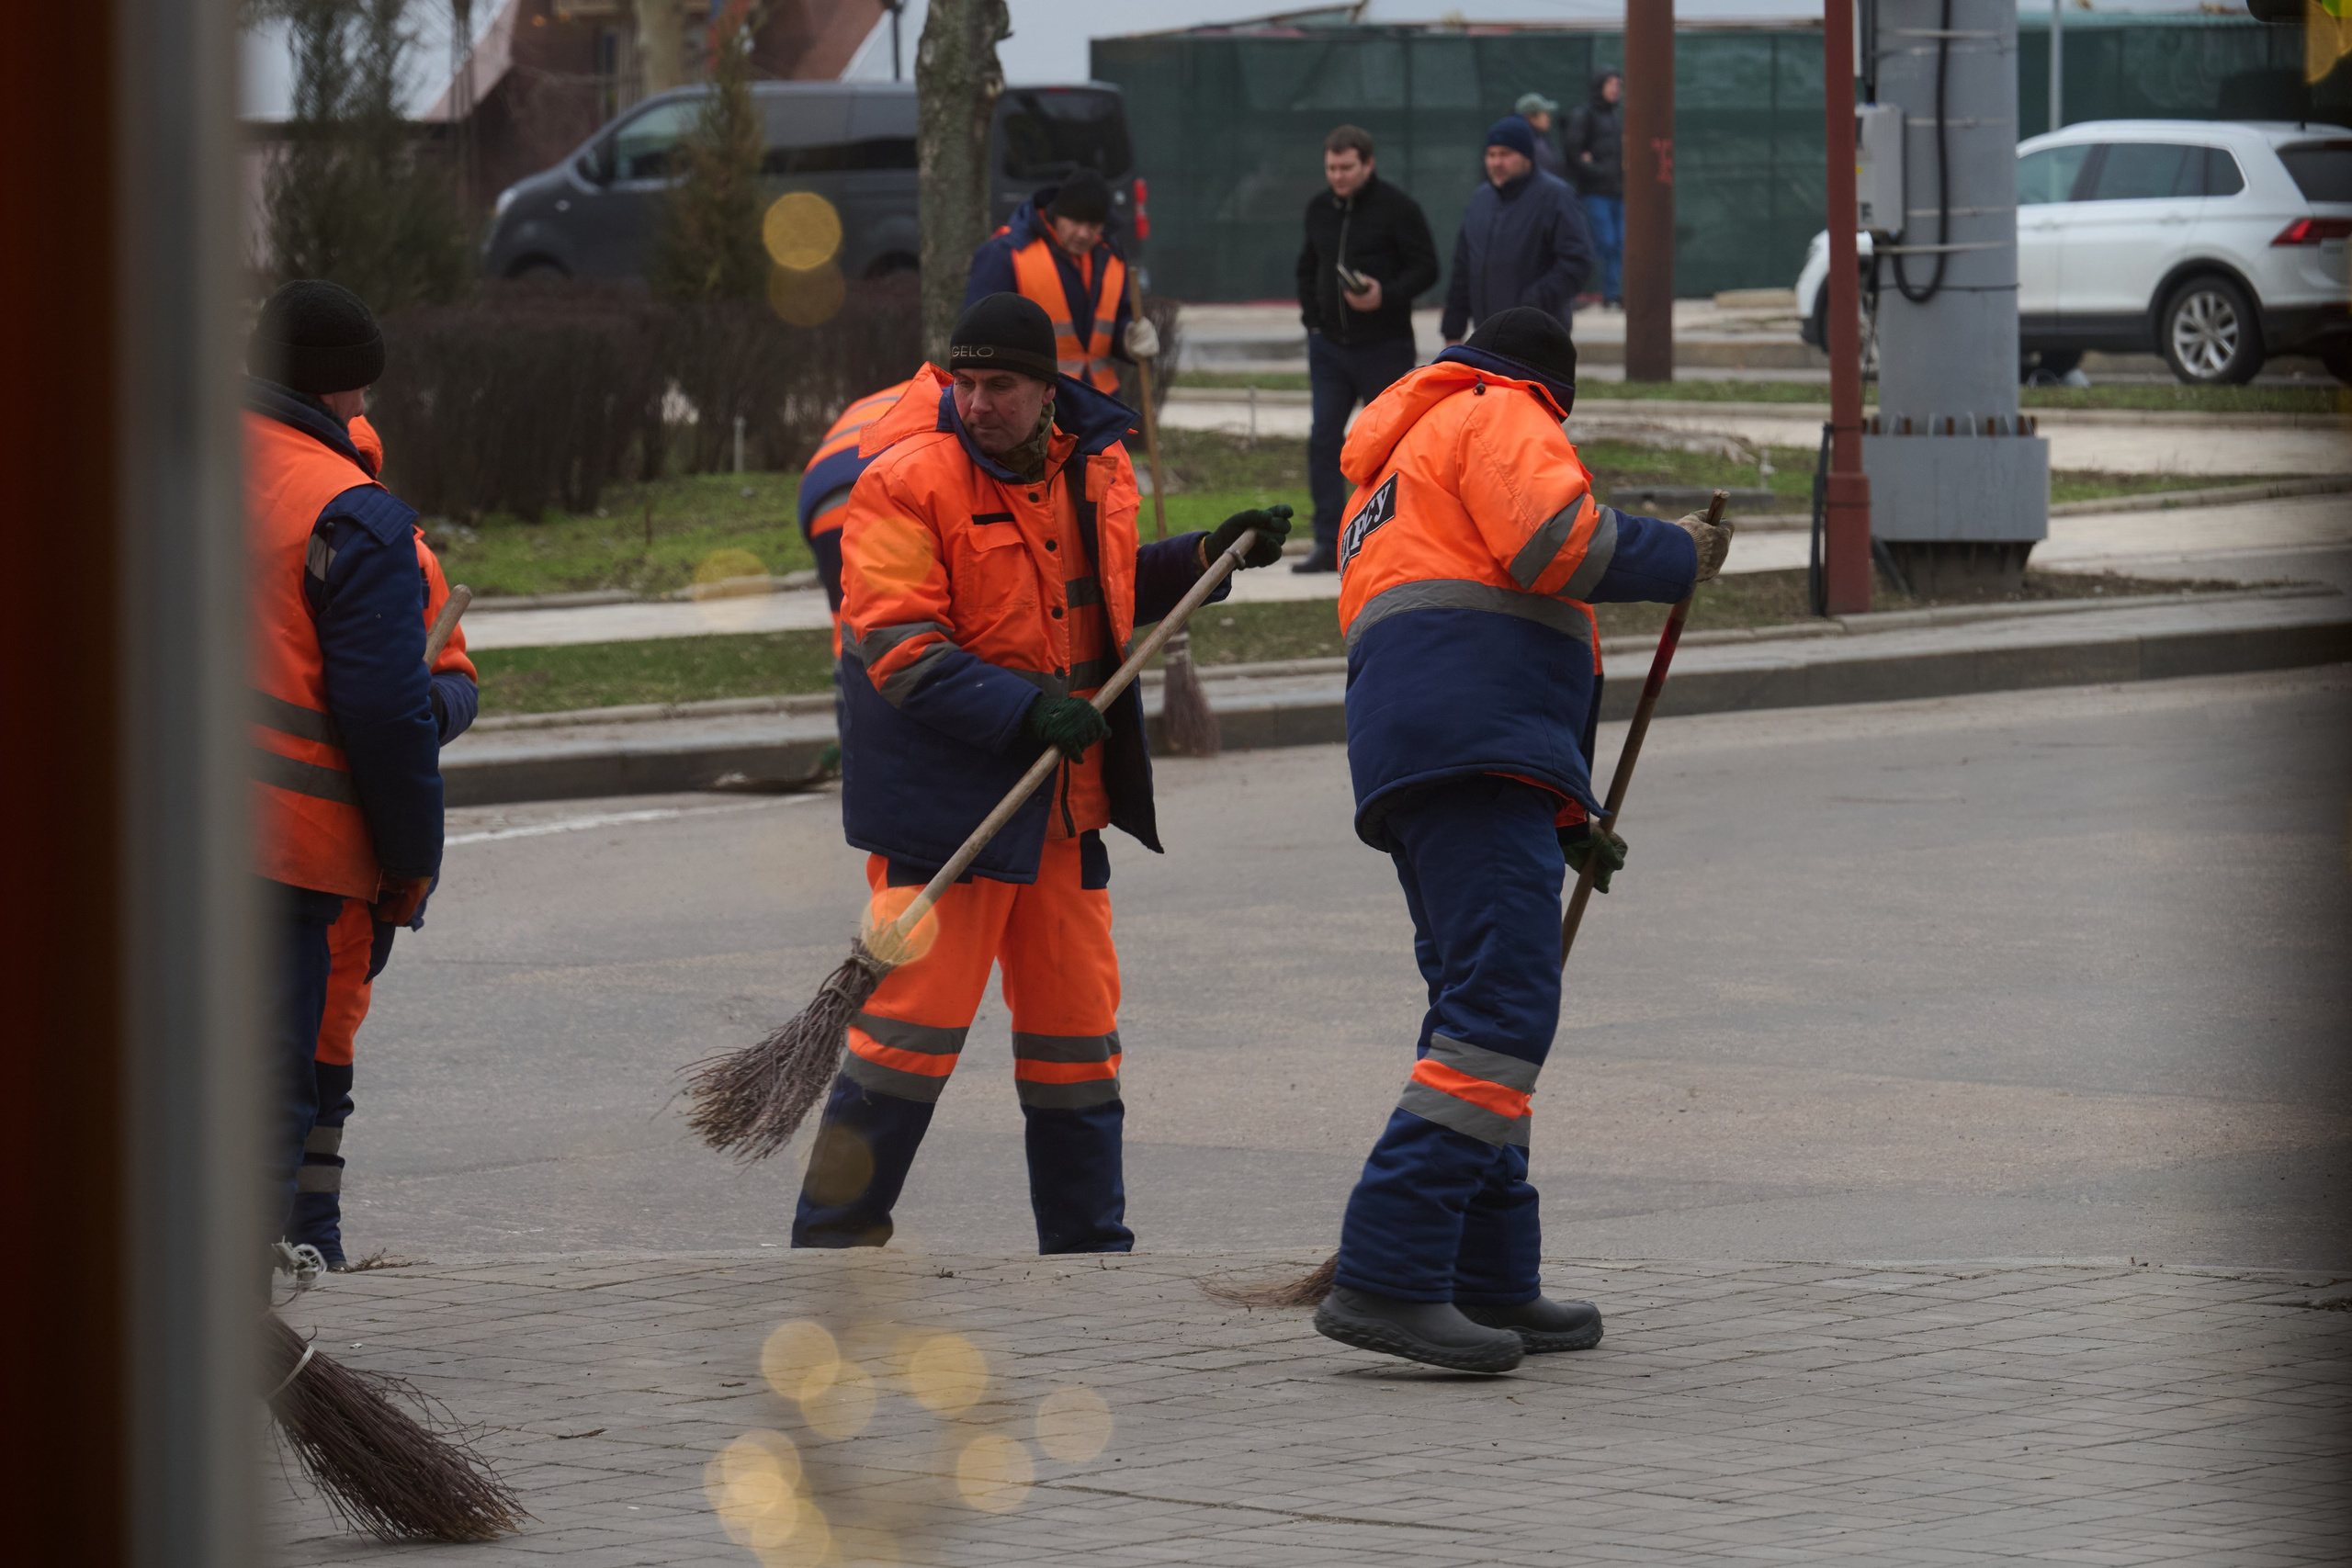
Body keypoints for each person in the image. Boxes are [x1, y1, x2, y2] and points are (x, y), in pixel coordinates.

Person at [793, 294, 1291, 1253]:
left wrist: (1200, 558)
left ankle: (1088, 1247)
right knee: (909, 1031)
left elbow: (1097, 592)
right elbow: (898, 648)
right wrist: (1026, 712)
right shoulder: (902, 482)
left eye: (1000, 386)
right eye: (964, 383)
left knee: (1076, 1035)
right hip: (950, 812)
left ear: (1046, 390)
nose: (977, 402)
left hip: (1068, 808)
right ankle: (834, 1239)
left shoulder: (1092, 466)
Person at [1313, 308, 1733, 1372]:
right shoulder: (1502, 410)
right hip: (1471, 753)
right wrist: (1676, 553)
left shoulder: (1395, 464)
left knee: (1477, 1011)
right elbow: (1558, 546)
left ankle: (1490, 1275)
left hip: (1429, 761)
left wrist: (1563, 813)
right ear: (1555, 385)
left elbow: (1474, 625)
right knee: (1501, 1010)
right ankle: (1390, 1271)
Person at [244, 280, 444, 1247]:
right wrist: (410, 863)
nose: (365, 412)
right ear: (335, 393)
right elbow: (387, 716)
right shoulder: (347, 512)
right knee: (262, 1108)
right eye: (359, 394)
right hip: (280, 860)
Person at [281, 412, 479, 1271]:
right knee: (285, 1064)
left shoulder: (404, 554)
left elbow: (459, 681)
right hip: (306, 843)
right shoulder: (314, 528)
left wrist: (416, 713)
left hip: (349, 859)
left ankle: (314, 1237)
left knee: (326, 1055)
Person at [1293, 124, 1439, 575]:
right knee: (1324, 441)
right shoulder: (1319, 209)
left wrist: (1385, 294)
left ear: (1368, 164)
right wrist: (1314, 323)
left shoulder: (1398, 208)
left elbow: (1427, 268)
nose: (1337, 176)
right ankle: (1327, 541)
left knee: (1388, 447)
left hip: (1384, 346)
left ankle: (1390, 539)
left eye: (1346, 167)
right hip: (1331, 349)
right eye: (1331, 168)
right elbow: (1307, 267)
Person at [965, 167, 1157, 395]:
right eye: (1075, 222)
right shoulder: (1005, 254)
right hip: (1036, 404)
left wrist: (1129, 336)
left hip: (1100, 402)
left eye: (1093, 226)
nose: (1084, 234)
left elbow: (1116, 319)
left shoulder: (1112, 256)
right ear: (1056, 215)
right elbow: (978, 335)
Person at [1441, 118, 1593, 347]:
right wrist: (1453, 329)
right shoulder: (1480, 200)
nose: (1496, 162)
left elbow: (1577, 261)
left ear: (1526, 156)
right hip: (1486, 339)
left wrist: (1530, 306)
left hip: (1539, 341)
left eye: (1505, 154)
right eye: (1491, 155)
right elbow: (1463, 268)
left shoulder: (1556, 197)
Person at [1562, 70, 1626, 310]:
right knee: (1604, 242)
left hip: (1619, 194)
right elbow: (1574, 154)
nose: (1615, 88)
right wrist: (1597, 170)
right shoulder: (1584, 115)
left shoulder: (1616, 117)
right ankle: (1580, 291)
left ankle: (1612, 295)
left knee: (1619, 244)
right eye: (1610, 83)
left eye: (1618, 84)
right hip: (1594, 193)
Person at [1515, 92, 1568, 182]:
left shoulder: (1543, 137)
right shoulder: (1521, 142)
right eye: (1545, 114)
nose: (1549, 118)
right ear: (1531, 117)